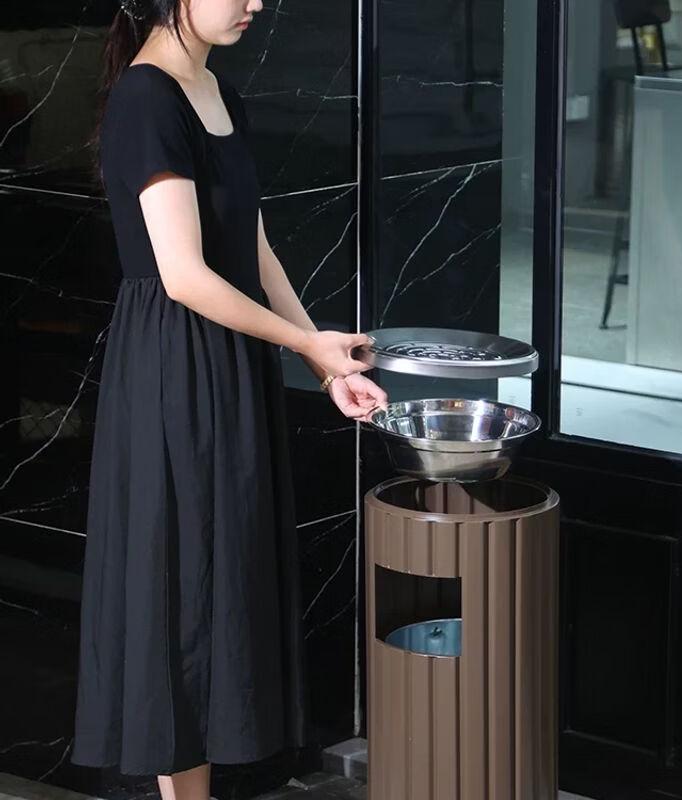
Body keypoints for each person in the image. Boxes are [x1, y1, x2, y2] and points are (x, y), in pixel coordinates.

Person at [69, 0, 388, 796]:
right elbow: (182, 275)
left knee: (213, 592)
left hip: (227, 361)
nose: (256, 5)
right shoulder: (147, 97)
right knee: (181, 594)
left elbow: (252, 244)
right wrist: (303, 347)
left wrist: (324, 359)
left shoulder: (218, 92)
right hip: (173, 368)